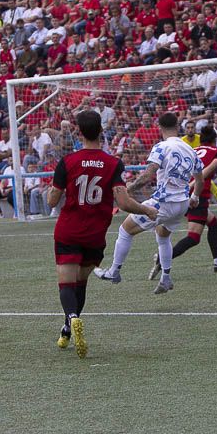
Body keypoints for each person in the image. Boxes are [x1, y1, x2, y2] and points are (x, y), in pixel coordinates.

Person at [46, 110, 157, 358]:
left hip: (68, 230)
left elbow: (52, 200)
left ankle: (72, 317)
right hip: (95, 234)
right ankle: (67, 327)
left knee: (66, 283)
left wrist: (51, 194)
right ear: (101, 131)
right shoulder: (113, 163)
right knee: (81, 282)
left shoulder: (68, 162)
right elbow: (124, 201)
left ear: (79, 132)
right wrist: (146, 210)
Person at [95, 112, 202, 295]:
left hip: (164, 202)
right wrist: (195, 198)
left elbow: (148, 175)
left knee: (125, 229)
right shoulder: (190, 150)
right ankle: (166, 277)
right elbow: (199, 180)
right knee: (163, 236)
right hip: (182, 203)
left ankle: (114, 271)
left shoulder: (161, 147)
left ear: (160, 128)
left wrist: (130, 188)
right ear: (178, 127)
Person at [155, 124, 217, 278]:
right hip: (197, 195)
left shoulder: (192, 150)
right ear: (214, 140)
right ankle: (163, 258)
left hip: (181, 191)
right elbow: (206, 172)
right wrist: (193, 185)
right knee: (194, 237)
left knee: (212, 222)